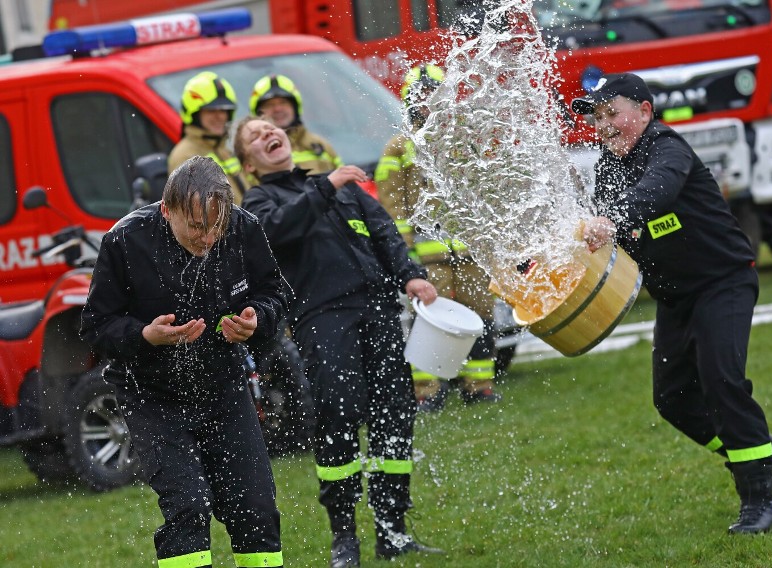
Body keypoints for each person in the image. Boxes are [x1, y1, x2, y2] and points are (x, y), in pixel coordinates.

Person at [571, 73, 772, 534]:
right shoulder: (608, 166)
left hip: (724, 282)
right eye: (597, 119)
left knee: (722, 381)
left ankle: (759, 499)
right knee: (672, 400)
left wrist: (612, 219)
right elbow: (597, 238)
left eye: (612, 114)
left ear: (645, 112)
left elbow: (657, 191)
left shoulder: (666, 148)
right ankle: (763, 453)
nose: (604, 126)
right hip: (676, 296)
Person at [235, 116, 444, 567]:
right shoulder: (258, 201)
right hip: (323, 320)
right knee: (338, 419)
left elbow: (386, 233)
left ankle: (393, 531)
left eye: (271, 128)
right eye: (255, 136)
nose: (268, 134)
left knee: (394, 416)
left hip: (379, 312)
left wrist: (411, 276)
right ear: (249, 163)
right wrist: (326, 186)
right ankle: (344, 538)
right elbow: (279, 230)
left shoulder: (340, 188)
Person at [80, 156, 286, 567]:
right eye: (195, 227)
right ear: (166, 210)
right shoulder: (125, 240)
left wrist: (257, 319)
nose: (208, 238)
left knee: (256, 507)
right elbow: (95, 327)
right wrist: (144, 335)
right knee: (188, 507)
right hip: (152, 397)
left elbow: (276, 296)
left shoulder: (244, 228)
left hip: (224, 387)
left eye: (216, 226)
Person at [375, 63, 501, 411]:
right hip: (427, 256)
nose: (427, 101)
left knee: (481, 315)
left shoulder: (461, 140)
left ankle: (480, 385)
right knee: (430, 322)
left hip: (470, 252)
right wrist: (404, 253)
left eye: (433, 94)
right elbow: (392, 204)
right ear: (408, 100)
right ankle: (428, 391)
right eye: (420, 95)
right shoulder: (399, 148)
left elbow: (482, 192)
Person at [169, 71, 250, 203]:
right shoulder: (185, 156)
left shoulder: (224, 148)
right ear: (194, 114)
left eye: (224, 110)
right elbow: (196, 212)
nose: (220, 116)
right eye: (211, 111)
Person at [249, 73, 343, 174]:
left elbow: (345, 182)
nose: (277, 109)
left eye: (283, 102)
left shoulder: (320, 145)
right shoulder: (254, 155)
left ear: (295, 107)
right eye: (269, 105)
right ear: (259, 113)